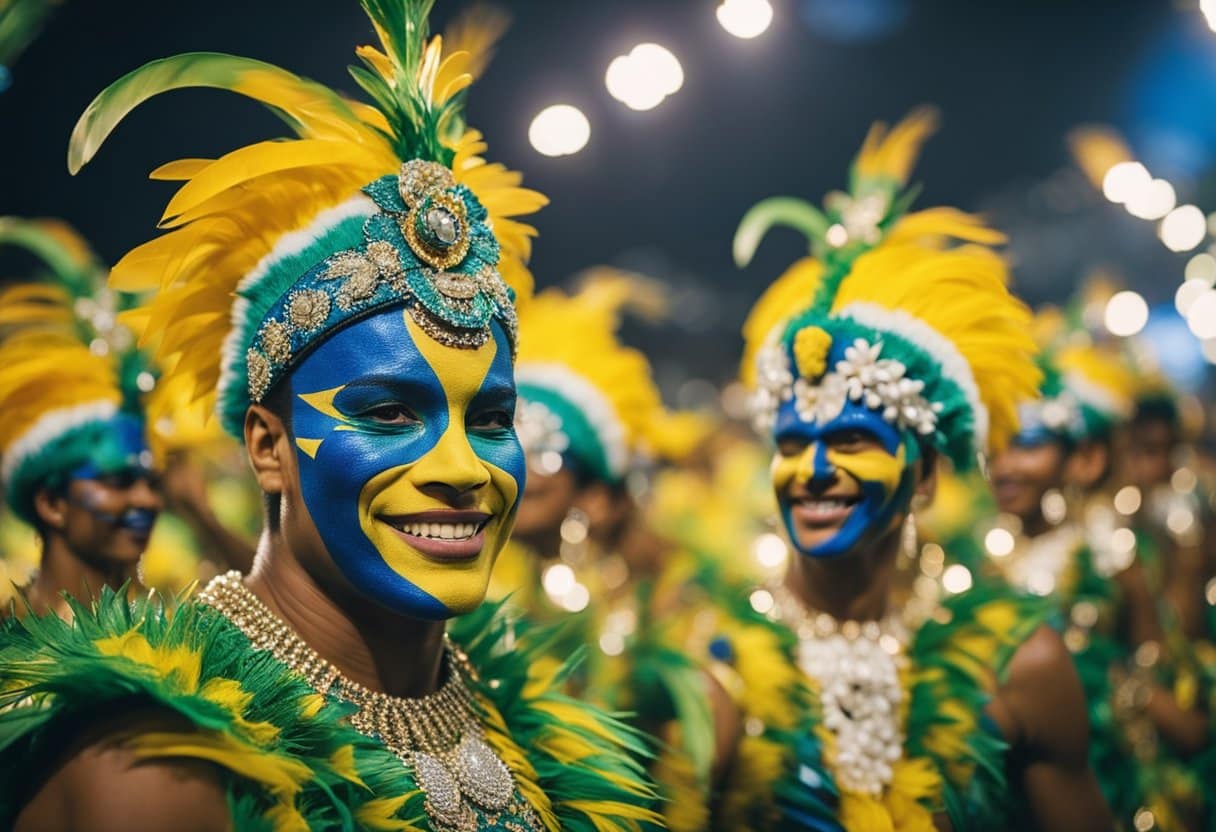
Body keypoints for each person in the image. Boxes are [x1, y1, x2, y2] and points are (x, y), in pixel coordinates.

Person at [0, 4, 660, 830]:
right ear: (269, 449)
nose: (462, 469)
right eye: (387, 412)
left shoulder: (522, 724)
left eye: (493, 419)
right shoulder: (159, 774)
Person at [705, 108, 1112, 830]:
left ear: (924, 476)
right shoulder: (718, 667)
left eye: (854, 440)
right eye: (793, 444)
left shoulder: (1022, 665)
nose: (814, 470)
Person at [494, 271, 720, 831]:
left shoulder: (663, 608)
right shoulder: (475, 591)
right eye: (506, 436)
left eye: (544, 449)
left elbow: (706, 750)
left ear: (595, 496)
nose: (517, 464)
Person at [983, 336, 1209, 830]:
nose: (1005, 467)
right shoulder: (981, 558)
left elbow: (1156, 660)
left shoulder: (1107, 553)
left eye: (1027, 446)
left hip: (1102, 775)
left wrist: (1123, 691)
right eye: (994, 449)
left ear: (1081, 459)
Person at [0, 217, 162, 618]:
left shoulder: (184, 640)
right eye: (118, 480)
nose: (146, 499)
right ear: (52, 503)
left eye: (151, 482)